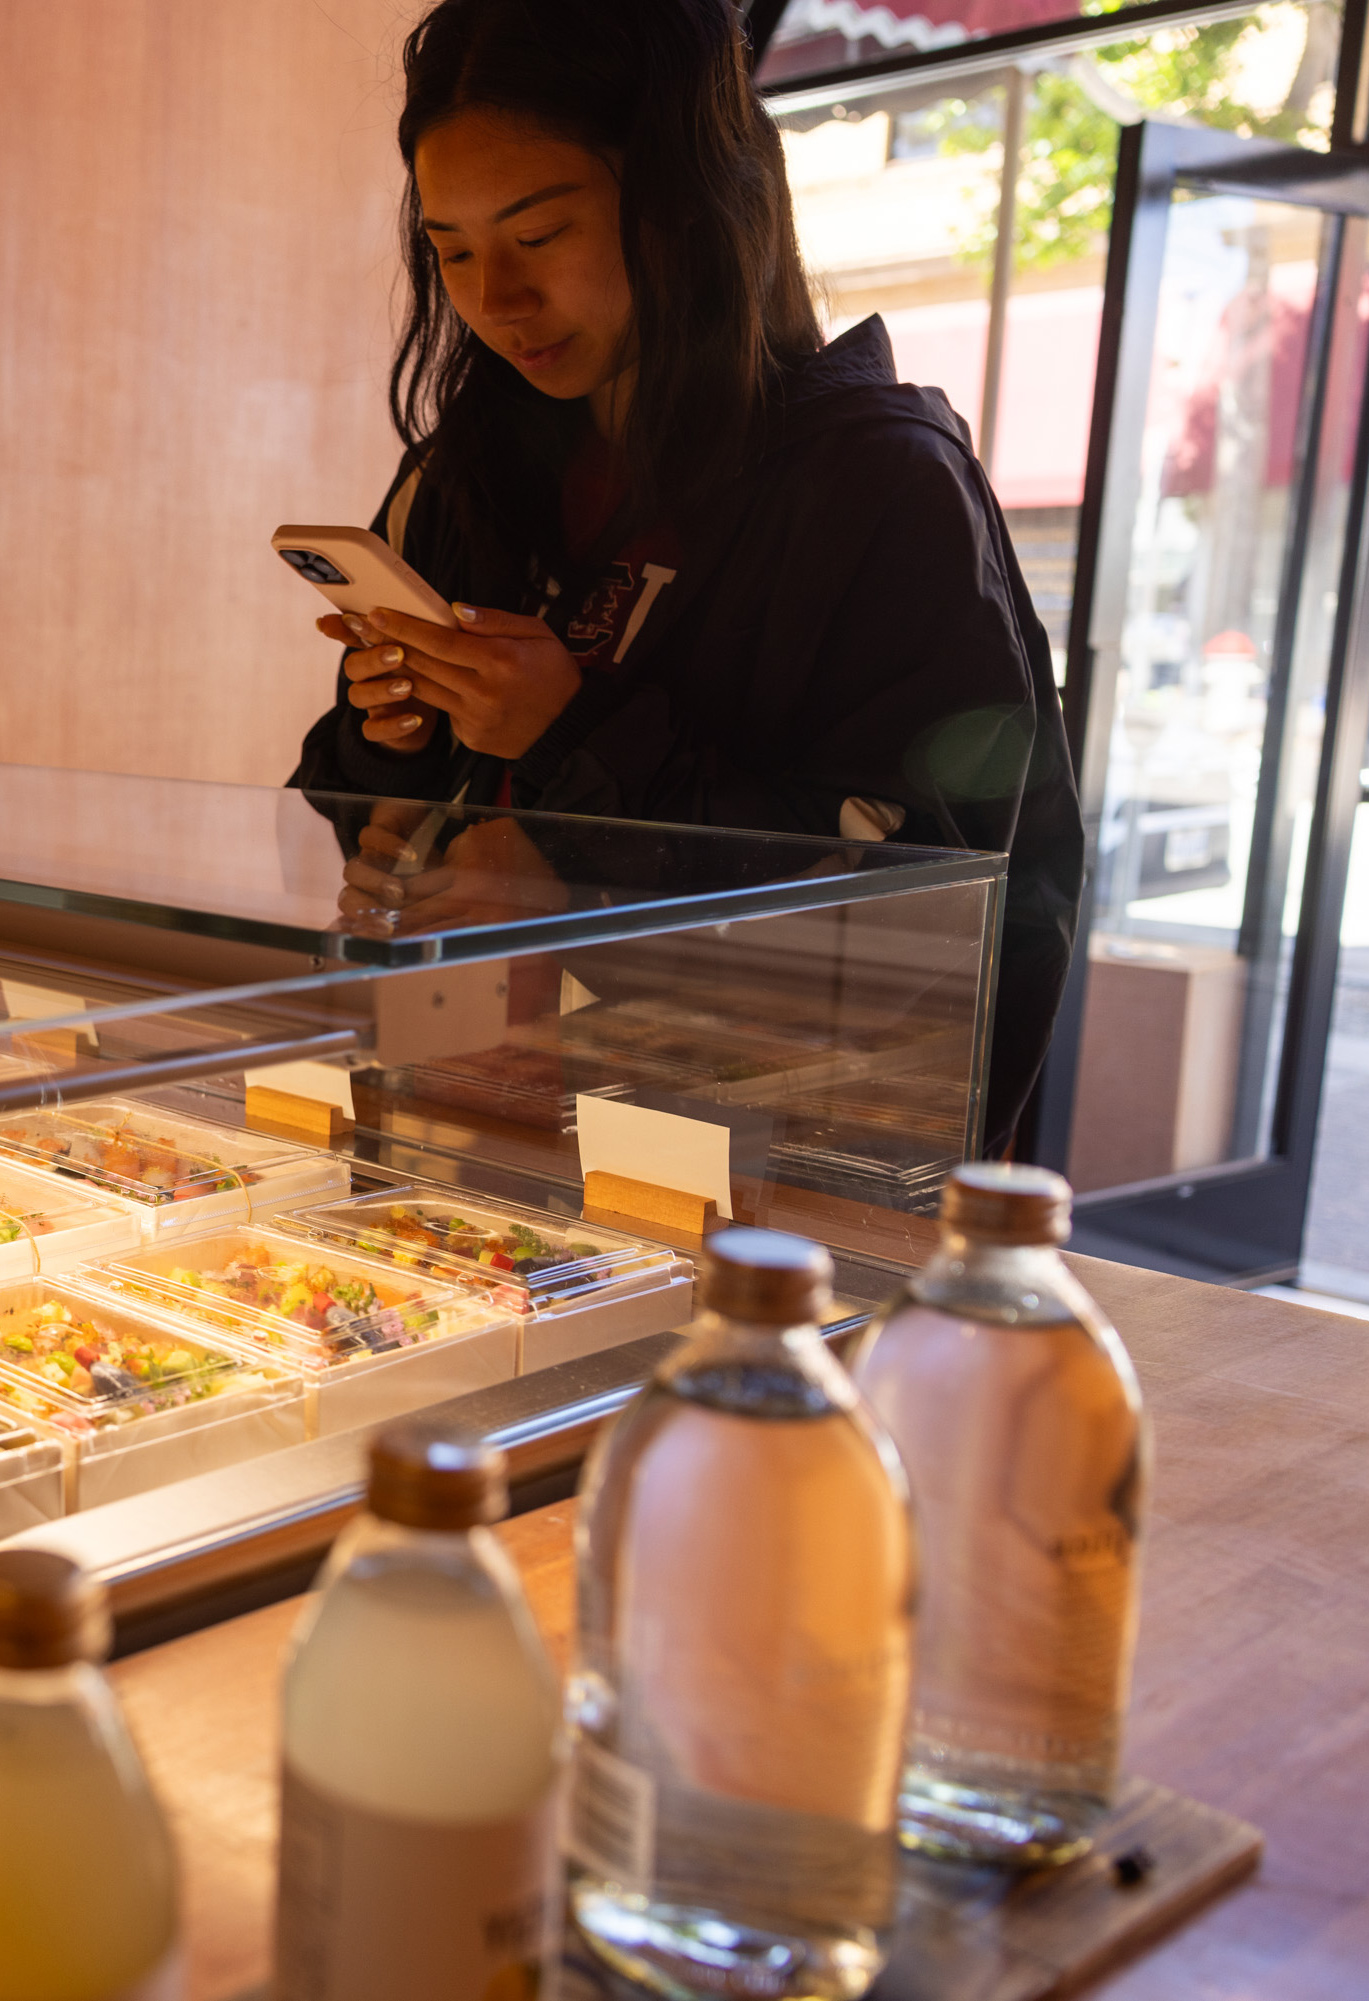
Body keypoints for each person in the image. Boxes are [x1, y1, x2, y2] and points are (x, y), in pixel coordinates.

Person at [289, 0, 1083, 1154]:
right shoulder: (467, 473)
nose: (493, 299)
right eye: (452, 251)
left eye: (539, 234)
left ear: (683, 212)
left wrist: (570, 798)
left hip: (762, 1184)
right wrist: (393, 754)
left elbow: (924, 914)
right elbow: (383, 814)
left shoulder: (877, 487)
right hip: (467, 1122)